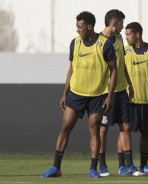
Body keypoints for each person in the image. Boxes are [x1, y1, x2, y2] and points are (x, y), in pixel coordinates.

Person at [40, 11, 117, 179]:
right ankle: (56, 167)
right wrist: (64, 93)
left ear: (89, 26)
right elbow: (71, 69)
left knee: (94, 130)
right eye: (77, 26)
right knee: (65, 127)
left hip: (97, 96)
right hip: (76, 94)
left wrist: (109, 96)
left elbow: (114, 70)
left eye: (80, 27)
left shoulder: (105, 44)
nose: (77, 30)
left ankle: (92, 168)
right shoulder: (75, 43)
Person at [98, 9, 142, 177]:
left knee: (125, 127)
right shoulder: (98, 40)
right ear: (114, 24)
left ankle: (128, 165)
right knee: (103, 129)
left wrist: (129, 83)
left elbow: (121, 64)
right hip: (105, 92)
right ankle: (102, 165)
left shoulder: (118, 38)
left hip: (122, 90)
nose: (123, 27)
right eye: (122, 24)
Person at [124, 22, 148, 175]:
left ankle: (144, 165)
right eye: (125, 34)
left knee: (146, 133)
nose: (126, 37)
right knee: (125, 131)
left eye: (128, 34)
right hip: (129, 100)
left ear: (137, 35)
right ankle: (126, 165)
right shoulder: (124, 51)